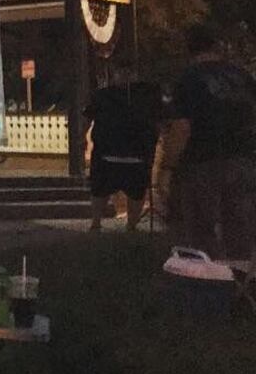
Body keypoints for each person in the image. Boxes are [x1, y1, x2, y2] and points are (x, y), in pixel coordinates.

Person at [160, 24, 256, 262]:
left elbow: (182, 128)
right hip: (242, 160)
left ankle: (210, 280)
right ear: (216, 45)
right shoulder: (241, 77)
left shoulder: (189, 79)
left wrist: (167, 168)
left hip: (202, 162)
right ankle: (242, 281)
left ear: (189, 48)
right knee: (240, 226)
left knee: (202, 227)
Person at [85, 79, 159, 232]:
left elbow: (89, 116)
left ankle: (97, 224)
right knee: (134, 192)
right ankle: (128, 225)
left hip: (112, 152)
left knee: (102, 190)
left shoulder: (103, 95)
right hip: (133, 153)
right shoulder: (146, 96)